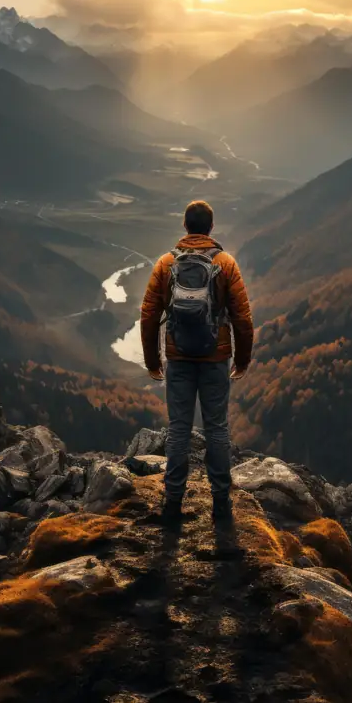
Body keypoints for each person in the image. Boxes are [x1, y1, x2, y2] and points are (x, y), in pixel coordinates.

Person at [140, 199, 253, 523]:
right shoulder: (226, 264)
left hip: (178, 357)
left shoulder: (165, 264)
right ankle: (221, 506)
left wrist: (152, 361)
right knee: (217, 429)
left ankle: (172, 504)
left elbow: (149, 315)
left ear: (185, 226)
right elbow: (242, 318)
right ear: (211, 227)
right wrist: (242, 360)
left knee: (178, 430)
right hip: (216, 357)